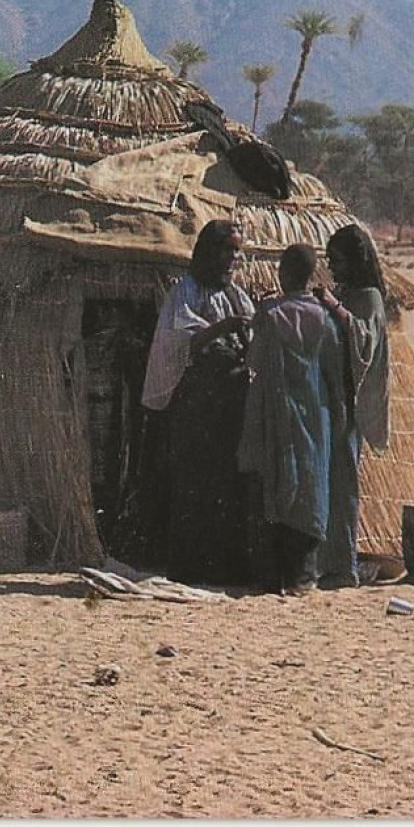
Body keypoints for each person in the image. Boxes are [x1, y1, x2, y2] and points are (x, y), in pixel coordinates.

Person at [140, 219, 256, 583]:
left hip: (229, 405)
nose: (233, 258)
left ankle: (223, 565)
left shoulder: (234, 294)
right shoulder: (184, 292)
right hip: (197, 407)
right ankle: (190, 566)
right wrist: (224, 328)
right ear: (209, 251)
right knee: (194, 483)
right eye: (227, 250)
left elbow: (251, 328)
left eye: (237, 251)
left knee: (226, 483)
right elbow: (179, 339)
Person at [237, 244, 349, 596]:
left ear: (283, 274)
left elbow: (254, 360)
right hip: (316, 415)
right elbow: (334, 370)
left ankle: (271, 576)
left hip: (272, 413)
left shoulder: (269, 315)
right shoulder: (323, 318)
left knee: (271, 480)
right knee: (310, 486)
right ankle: (303, 575)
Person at [313, 223, 391, 588]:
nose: (333, 267)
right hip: (328, 398)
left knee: (343, 485)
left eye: (338, 260)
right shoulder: (344, 291)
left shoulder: (370, 296)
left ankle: (342, 565)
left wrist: (335, 309)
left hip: (348, 400)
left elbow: (366, 341)